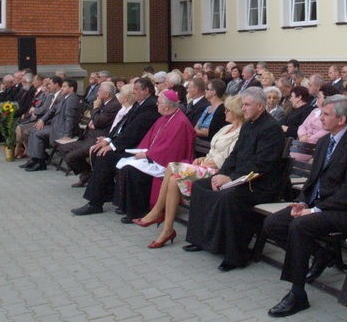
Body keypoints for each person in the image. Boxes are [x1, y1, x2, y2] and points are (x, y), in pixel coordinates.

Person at [263, 95, 347, 318]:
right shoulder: (325, 141)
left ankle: (297, 294)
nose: (320, 117)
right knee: (273, 223)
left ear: (342, 119)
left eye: (325, 114)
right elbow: (313, 179)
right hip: (318, 205)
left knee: (300, 226)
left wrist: (314, 210)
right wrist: (303, 201)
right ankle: (321, 254)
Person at [184, 87, 285, 271]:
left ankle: (235, 255)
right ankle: (202, 240)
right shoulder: (248, 124)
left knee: (228, 196)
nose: (243, 108)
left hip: (259, 184)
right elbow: (235, 154)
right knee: (200, 187)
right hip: (239, 178)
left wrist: (230, 178)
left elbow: (261, 164)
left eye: (247, 105)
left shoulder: (271, 129)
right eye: (243, 104)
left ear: (260, 106)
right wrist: (221, 174)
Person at [133, 95, 245, 249]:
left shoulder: (241, 132)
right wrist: (202, 159)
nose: (224, 112)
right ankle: (167, 229)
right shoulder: (226, 128)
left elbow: (228, 156)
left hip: (218, 171)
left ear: (236, 112)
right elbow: (213, 151)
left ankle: (158, 210)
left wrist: (206, 161)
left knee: (172, 167)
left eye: (227, 110)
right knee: (172, 180)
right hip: (207, 165)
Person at [71, 77, 160, 215]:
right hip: (128, 143)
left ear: (146, 90)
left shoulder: (150, 106)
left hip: (138, 147)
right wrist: (108, 140)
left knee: (105, 155)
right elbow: (122, 125)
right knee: (99, 151)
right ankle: (106, 192)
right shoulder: (140, 103)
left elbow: (134, 132)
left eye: (136, 90)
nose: (134, 92)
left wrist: (113, 146)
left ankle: (95, 203)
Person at [116, 89, 196, 222]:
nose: (156, 105)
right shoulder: (165, 118)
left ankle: (138, 212)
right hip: (157, 158)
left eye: (158, 102)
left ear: (167, 106)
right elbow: (151, 139)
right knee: (125, 166)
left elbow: (172, 149)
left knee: (131, 171)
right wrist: (142, 152)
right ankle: (127, 206)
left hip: (168, 163)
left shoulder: (180, 122)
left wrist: (147, 155)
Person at [62, 81, 121, 184]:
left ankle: (87, 174)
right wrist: (93, 119)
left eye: (99, 90)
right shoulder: (102, 102)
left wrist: (96, 108)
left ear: (106, 94)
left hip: (97, 139)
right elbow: (94, 118)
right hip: (88, 137)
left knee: (70, 157)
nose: (97, 92)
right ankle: (87, 173)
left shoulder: (113, 105)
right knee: (63, 148)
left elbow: (98, 121)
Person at [23, 79, 82, 171]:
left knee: (38, 134)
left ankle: (41, 163)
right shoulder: (64, 97)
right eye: (62, 86)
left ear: (71, 89)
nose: (61, 88)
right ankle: (35, 159)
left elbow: (69, 119)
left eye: (64, 86)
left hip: (62, 130)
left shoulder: (72, 99)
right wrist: (42, 120)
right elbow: (52, 110)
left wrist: (67, 135)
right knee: (33, 131)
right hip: (56, 126)